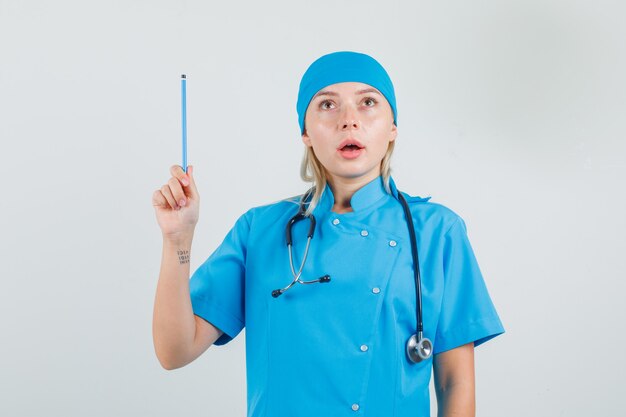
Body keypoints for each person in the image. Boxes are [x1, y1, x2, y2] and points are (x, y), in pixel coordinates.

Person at [152, 51, 504, 417]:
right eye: (327, 105)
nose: (349, 121)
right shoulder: (259, 230)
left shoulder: (437, 231)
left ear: (392, 127)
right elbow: (174, 351)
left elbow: (455, 384)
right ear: (305, 132)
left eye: (368, 103)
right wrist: (177, 240)